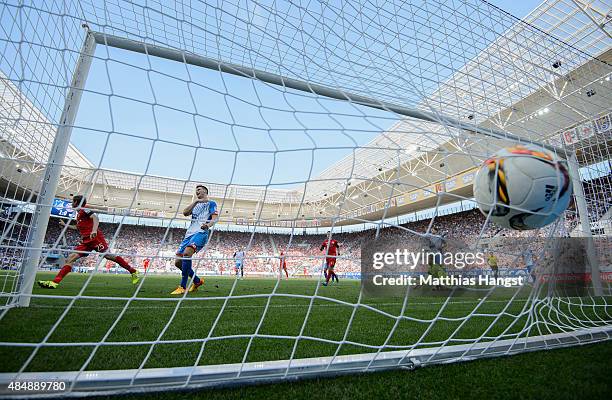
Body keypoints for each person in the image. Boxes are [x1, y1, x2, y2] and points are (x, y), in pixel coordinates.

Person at [37, 195, 140, 288]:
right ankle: (55, 283)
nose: (71, 204)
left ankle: (133, 271)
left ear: (77, 202)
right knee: (70, 258)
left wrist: (94, 230)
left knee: (108, 256)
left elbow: (95, 218)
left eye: (73, 202)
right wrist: (65, 225)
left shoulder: (84, 210)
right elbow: (77, 227)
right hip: (86, 241)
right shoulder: (79, 215)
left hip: (95, 238)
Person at [171, 185, 218, 295]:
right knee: (178, 263)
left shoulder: (211, 203)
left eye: (199, 190)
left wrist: (208, 225)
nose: (197, 191)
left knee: (187, 254)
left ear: (205, 192)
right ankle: (197, 281)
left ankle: (182, 287)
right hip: (189, 234)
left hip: (201, 232)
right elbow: (185, 212)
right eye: (196, 190)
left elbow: (215, 219)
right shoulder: (195, 204)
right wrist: (196, 201)